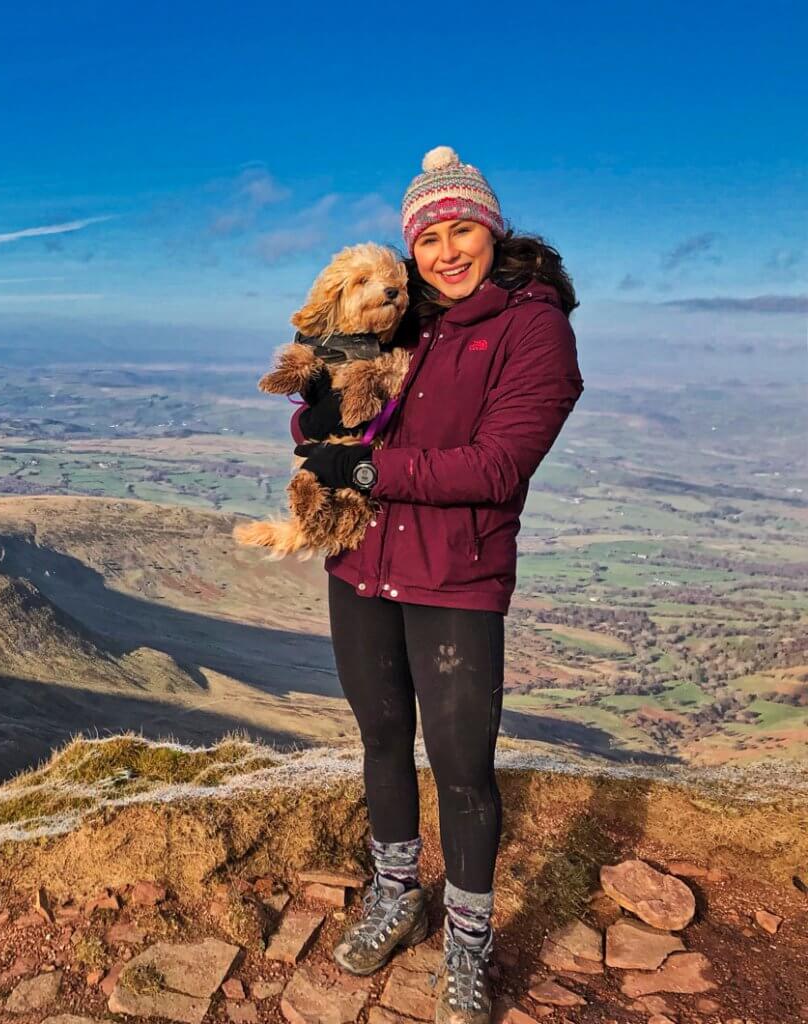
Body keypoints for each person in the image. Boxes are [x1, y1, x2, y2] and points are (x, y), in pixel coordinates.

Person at [288, 145, 584, 1024]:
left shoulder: (534, 328)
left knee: (462, 768)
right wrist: (318, 412)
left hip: (456, 575)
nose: (448, 252)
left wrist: (369, 471)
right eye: (431, 239)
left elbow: (498, 467)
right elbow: (337, 398)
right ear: (410, 247)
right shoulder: (403, 314)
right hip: (364, 563)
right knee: (382, 738)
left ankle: (468, 941)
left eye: (464, 231)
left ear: (492, 231)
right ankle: (396, 892)